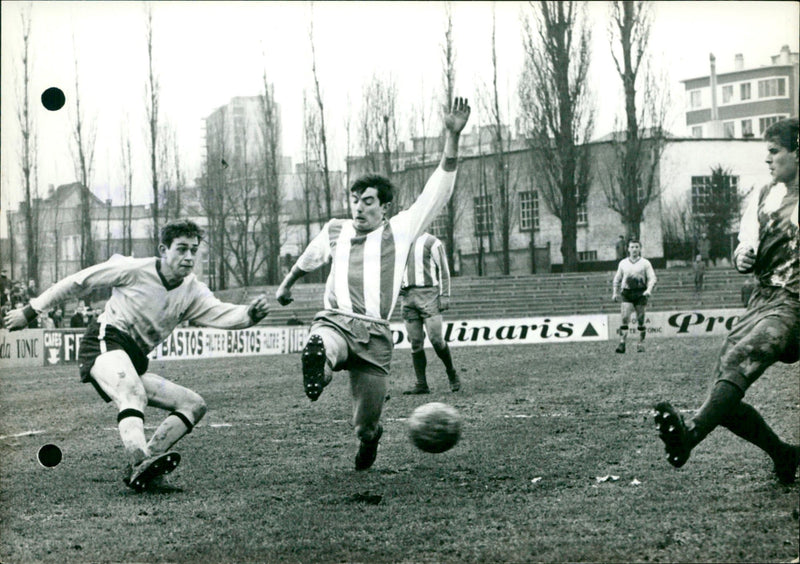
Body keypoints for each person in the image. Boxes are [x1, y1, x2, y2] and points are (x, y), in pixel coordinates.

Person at [275, 97, 470, 471]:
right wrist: (286, 286)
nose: (358, 208)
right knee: (321, 344)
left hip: (375, 336)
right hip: (334, 319)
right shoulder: (336, 229)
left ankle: (370, 438)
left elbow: (439, 188)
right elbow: (307, 260)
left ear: (385, 207)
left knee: (364, 426)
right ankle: (323, 363)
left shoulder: (401, 229)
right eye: (354, 201)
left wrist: (452, 136)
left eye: (367, 202)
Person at [4, 219, 270, 492]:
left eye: (193, 249)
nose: (188, 257)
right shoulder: (133, 269)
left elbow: (222, 313)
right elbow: (79, 281)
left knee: (194, 405)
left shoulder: (192, 291)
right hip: (103, 342)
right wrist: (31, 310)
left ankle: (146, 465)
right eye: (181, 249)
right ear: (163, 249)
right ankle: (140, 460)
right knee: (133, 394)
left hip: (133, 359)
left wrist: (250, 314)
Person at [654, 117, 799, 485]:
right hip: (762, 300)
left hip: (793, 303)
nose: (767, 159)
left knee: (736, 363)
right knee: (725, 384)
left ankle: (689, 435)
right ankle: (783, 454)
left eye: (774, 151)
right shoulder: (765, 195)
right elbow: (745, 243)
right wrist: (742, 257)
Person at [399, 232, 460, 395]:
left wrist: (445, 294)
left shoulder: (432, 242)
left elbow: (444, 270)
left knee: (436, 339)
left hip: (429, 295)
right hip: (407, 297)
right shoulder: (401, 242)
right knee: (415, 342)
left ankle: (451, 372)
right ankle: (421, 384)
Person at [611, 239, 657, 353]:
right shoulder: (623, 263)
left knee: (640, 320)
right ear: (628, 249)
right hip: (627, 292)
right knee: (625, 318)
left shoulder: (645, 263)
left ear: (640, 248)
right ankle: (622, 343)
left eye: (636, 247)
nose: (634, 249)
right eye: (632, 247)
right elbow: (617, 279)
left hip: (640, 293)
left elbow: (652, 278)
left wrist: (648, 290)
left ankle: (640, 344)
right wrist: (615, 292)